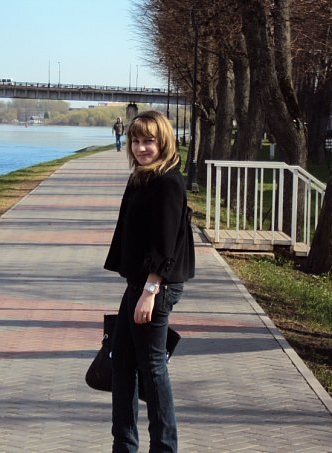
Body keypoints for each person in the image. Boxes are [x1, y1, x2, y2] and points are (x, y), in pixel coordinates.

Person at [104, 110, 195, 452]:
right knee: (122, 362)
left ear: (163, 142)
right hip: (139, 283)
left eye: (149, 141)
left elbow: (164, 243)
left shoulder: (167, 182)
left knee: (153, 367)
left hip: (156, 286)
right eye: (136, 141)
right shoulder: (143, 177)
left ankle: (164, 447)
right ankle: (124, 445)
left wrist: (150, 291)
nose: (141, 148)